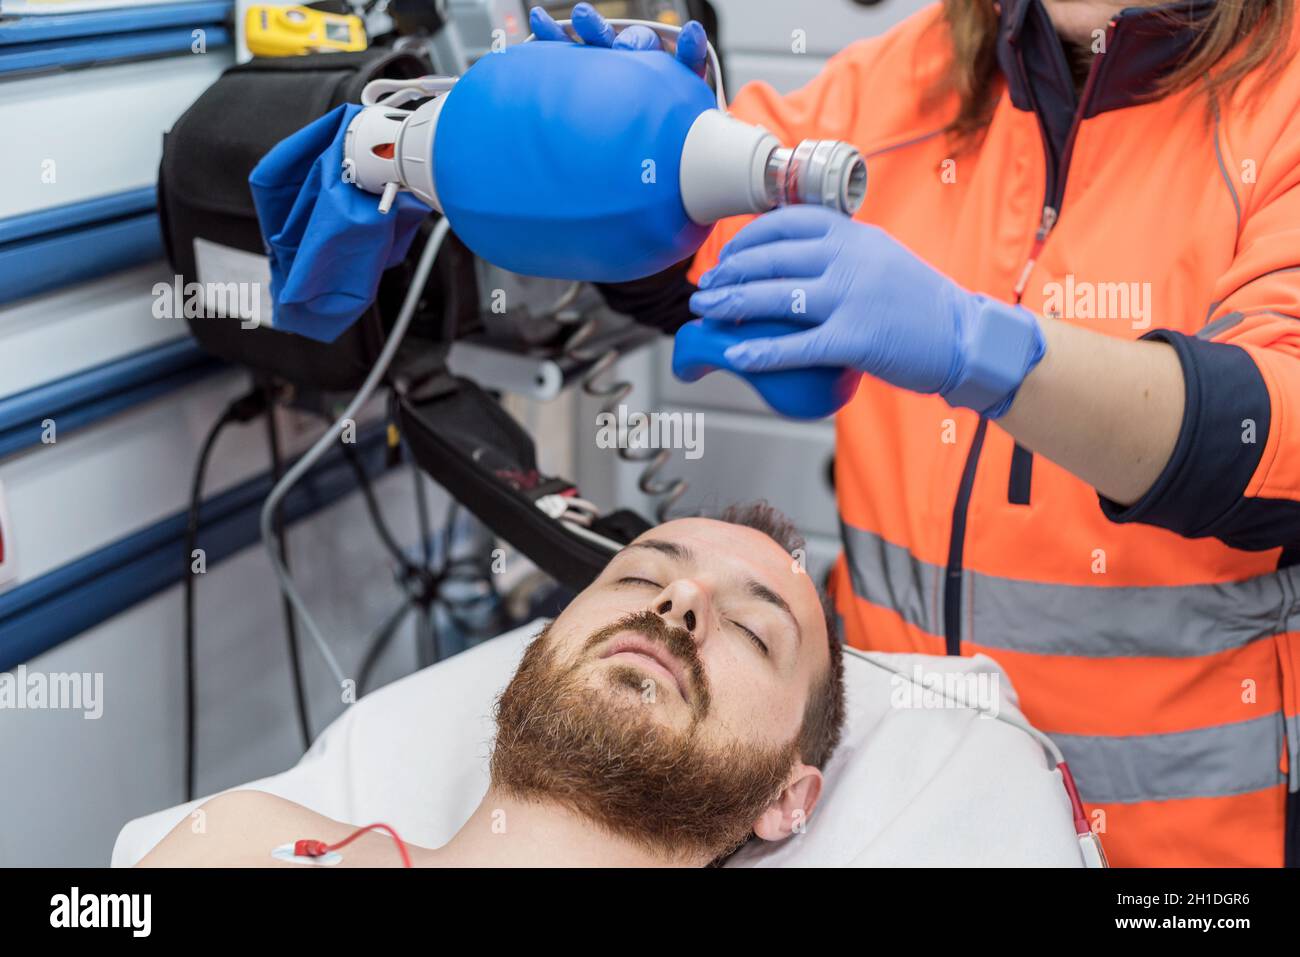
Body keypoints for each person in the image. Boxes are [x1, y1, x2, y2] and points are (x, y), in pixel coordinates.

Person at [532, 1, 1300, 867]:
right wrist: (614, 146)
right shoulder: (917, 75)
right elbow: (696, 252)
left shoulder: (1281, 103)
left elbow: (1269, 432)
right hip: (896, 810)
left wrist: (978, 348)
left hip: (1182, 851)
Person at [137, 504, 846, 867]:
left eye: (753, 630)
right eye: (638, 577)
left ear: (787, 799)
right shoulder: (242, 836)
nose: (680, 599)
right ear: (539, 648)